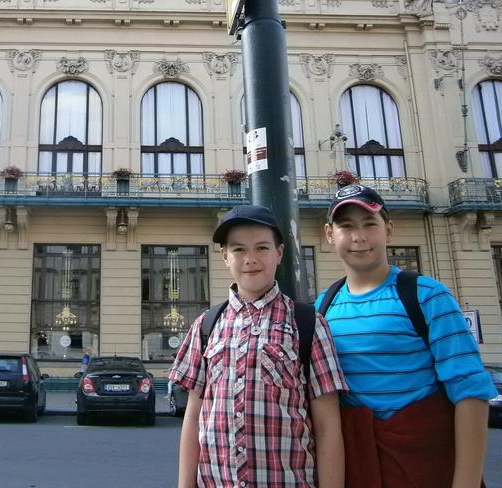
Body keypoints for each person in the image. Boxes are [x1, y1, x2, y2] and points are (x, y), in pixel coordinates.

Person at [319, 184, 498, 488]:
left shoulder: (428, 295)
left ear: (388, 231)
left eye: (369, 224)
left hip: (424, 462)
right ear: (329, 235)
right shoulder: (324, 305)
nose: (359, 237)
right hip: (358, 466)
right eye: (346, 226)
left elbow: (470, 392)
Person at [171, 205, 346, 488]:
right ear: (225, 256)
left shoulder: (309, 324)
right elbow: (193, 419)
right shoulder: (205, 326)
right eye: (239, 249)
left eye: (262, 248)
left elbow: (328, 427)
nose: (250, 259)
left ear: (279, 253)